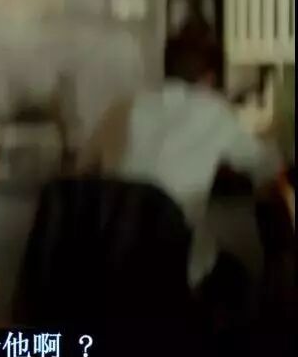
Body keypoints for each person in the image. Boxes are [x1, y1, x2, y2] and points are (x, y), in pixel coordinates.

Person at [78, 22, 283, 289]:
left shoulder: (123, 108)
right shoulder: (214, 111)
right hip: (177, 268)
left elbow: (83, 168)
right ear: (209, 79)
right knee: (244, 270)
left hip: (109, 266)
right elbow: (269, 167)